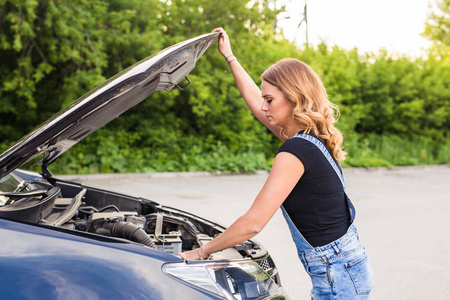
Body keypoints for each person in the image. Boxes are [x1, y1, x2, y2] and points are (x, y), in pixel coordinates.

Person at [178, 28, 373, 299]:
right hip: (345, 268)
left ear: (294, 98)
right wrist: (230, 57)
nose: (264, 106)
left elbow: (253, 223)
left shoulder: (294, 152)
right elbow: (256, 106)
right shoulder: (312, 139)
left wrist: (202, 252)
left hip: (337, 275)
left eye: (269, 99)